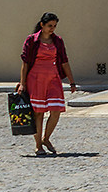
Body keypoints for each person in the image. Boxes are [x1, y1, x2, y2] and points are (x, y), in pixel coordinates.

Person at [20, 14, 73, 157]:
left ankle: (46, 138)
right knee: (38, 113)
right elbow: (25, 63)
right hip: (36, 78)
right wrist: (22, 83)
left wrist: (71, 80)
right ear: (42, 25)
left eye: (54, 26)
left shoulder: (58, 41)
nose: (52, 29)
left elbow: (64, 61)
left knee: (56, 110)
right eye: (50, 25)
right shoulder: (32, 40)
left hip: (53, 78)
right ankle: (38, 146)